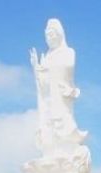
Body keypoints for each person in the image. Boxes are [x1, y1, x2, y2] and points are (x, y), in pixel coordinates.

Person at [29, 18, 87, 150]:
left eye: (51, 34)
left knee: (63, 123)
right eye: (47, 35)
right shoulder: (47, 57)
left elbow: (67, 68)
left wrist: (49, 68)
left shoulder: (68, 52)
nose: (49, 38)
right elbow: (43, 84)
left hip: (61, 97)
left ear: (59, 34)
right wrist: (37, 68)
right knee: (48, 126)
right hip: (50, 99)